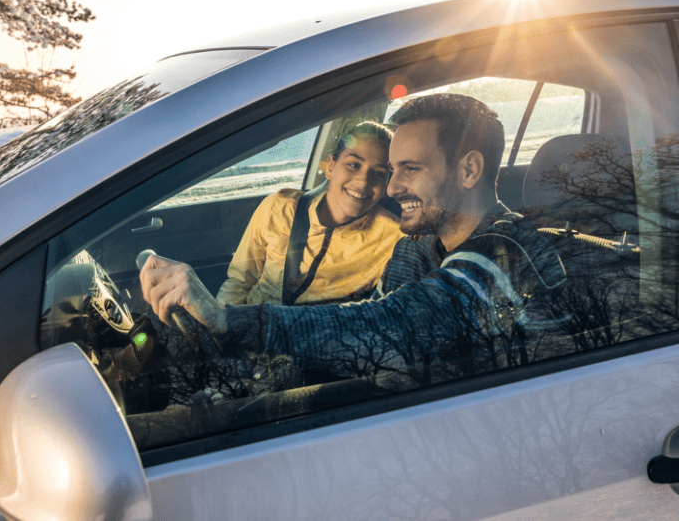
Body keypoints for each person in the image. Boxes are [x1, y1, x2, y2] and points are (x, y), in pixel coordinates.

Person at [140, 94, 569, 383]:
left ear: (469, 171)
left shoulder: (504, 256)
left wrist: (227, 321)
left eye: (409, 169)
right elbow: (368, 325)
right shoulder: (417, 246)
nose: (393, 188)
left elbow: (387, 328)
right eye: (394, 170)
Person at [216, 121, 404, 306]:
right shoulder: (279, 208)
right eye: (354, 165)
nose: (363, 182)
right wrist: (222, 328)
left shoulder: (395, 237)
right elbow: (239, 283)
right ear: (330, 166)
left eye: (379, 174)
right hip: (254, 325)